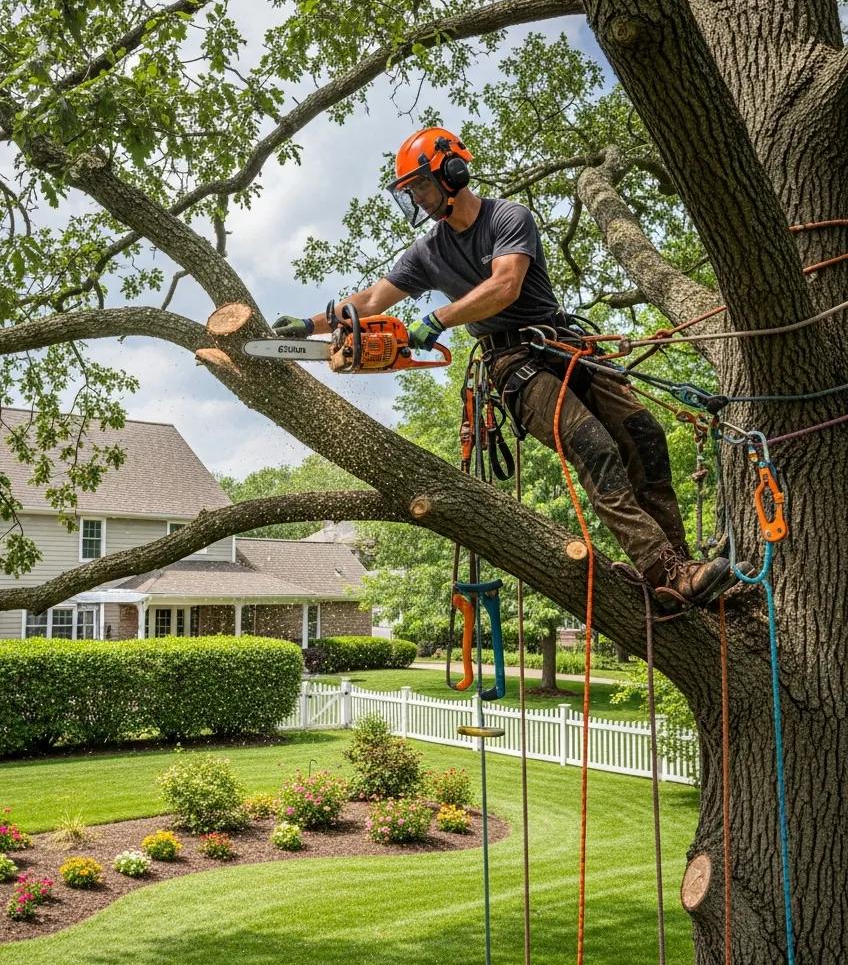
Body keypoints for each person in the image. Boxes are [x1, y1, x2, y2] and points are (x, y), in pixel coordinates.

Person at [273, 126, 735, 607]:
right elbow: (370, 299)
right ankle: (662, 568)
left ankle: (679, 572)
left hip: (562, 342)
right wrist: (310, 326)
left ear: (452, 173)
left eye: (422, 187)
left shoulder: (508, 217)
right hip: (511, 361)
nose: (419, 200)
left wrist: (437, 318)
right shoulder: (427, 253)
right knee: (593, 446)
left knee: (644, 433)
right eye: (410, 193)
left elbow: (505, 285)